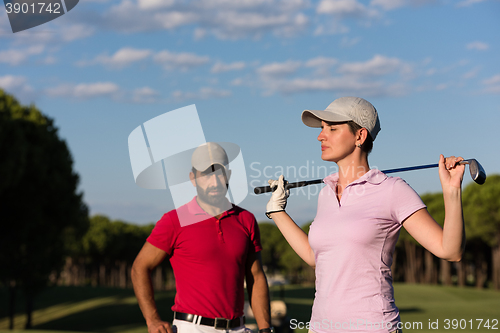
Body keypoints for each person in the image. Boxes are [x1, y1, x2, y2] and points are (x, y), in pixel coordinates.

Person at [265, 97, 466, 333]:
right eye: (321, 129)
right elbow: (316, 257)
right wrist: (277, 211)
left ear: (360, 136)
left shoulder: (392, 190)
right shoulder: (326, 194)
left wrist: (451, 191)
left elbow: (450, 251)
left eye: (332, 128)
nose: (321, 136)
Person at [132, 142, 272, 333]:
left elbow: (255, 277)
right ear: (193, 178)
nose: (214, 182)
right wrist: (152, 319)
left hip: (239, 328)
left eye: (219, 174)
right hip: (193, 328)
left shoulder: (246, 219)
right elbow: (140, 267)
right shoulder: (174, 220)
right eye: (206, 175)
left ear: (228, 175)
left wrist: (265, 329)